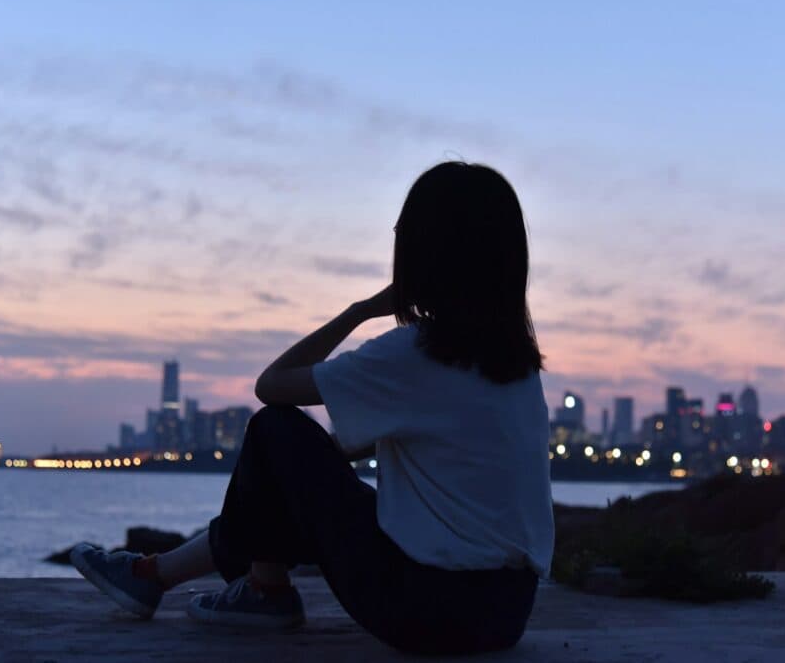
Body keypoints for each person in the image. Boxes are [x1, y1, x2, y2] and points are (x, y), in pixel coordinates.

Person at [70, 161, 555, 655]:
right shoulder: (516, 369)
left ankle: (256, 592)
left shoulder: (416, 354)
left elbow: (272, 385)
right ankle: (155, 575)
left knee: (276, 430)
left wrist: (360, 310)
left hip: (426, 610)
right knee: (282, 481)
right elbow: (359, 452)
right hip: (505, 613)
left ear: (423, 251)